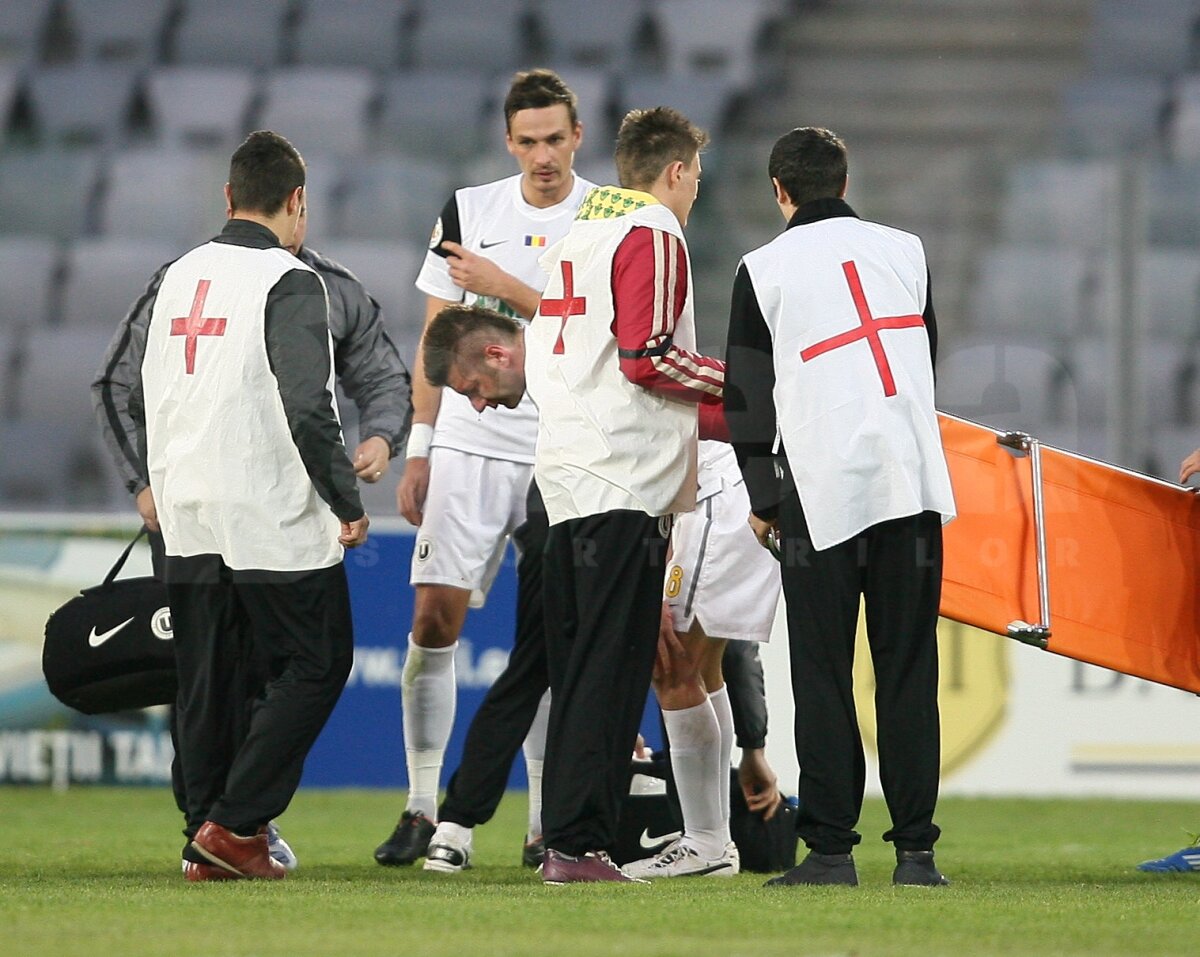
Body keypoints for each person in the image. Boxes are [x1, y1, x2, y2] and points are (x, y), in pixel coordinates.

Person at [422, 107, 727, 884]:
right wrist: (752, 390)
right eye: (695, 177)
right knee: (610, 673)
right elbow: (649, 357)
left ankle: (566, 838)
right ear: (679, 170)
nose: (694, 191)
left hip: (563, 483)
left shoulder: (577, 237)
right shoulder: (652, 229)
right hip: (620, 478)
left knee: (581, 669)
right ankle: (577, 845)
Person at [93, 183, 411, 875]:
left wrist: (383, 435)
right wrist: (345, 496)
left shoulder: (176, 277)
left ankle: (208, 833)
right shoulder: (296, 281)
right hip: (268, 511)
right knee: (314, 659)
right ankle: (232, 825)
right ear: (298, 200)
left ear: (232, 193)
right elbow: (307, 402)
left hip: (190, 512)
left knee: (206, 675)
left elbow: (124, 381)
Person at [375, 68, 596, 869]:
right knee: (433, 620)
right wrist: (421, 445)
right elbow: (437, 337)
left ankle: (541, 823)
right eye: (528, 141)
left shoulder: (607, 218)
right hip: (470, 439)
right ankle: (421, 803)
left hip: (560, 445)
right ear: (510, 142)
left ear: (579, 136)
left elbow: (596, 325)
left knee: (544, 638)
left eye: (555, 138)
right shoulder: (470, 209)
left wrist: (508, 286)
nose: (543, 155)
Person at [724, 126, 956, 888]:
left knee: (823, 672)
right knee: (907, 668)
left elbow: (747, 398)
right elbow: (925, 360)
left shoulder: (763, 268)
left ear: (780, 191)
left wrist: (763, 498)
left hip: (819, 494)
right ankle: (917, 853)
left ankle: (828, 851)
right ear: (845, 183)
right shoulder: (907, 252)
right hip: (912, 484)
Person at [621, 439, 782, 879]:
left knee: (672, 663)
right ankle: (712, 839)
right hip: (721, 480)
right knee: (703, 669)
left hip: (714, 480)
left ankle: (706, 842)